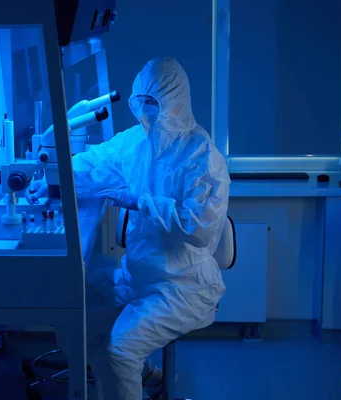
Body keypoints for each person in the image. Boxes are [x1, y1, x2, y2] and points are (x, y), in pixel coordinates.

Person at [27, 57, 230, 400]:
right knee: (70, 310)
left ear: (176, 101)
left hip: (182, 287)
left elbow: (200, 229)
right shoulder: (136, 142)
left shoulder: (203, 157)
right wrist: (52, 179)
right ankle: (144, 375)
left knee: (120, 349)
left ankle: (129, 370)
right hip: (137, 274)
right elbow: (94, 164)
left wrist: (142, 202)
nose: (145, 110)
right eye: (141, 101)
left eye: (154, 102)